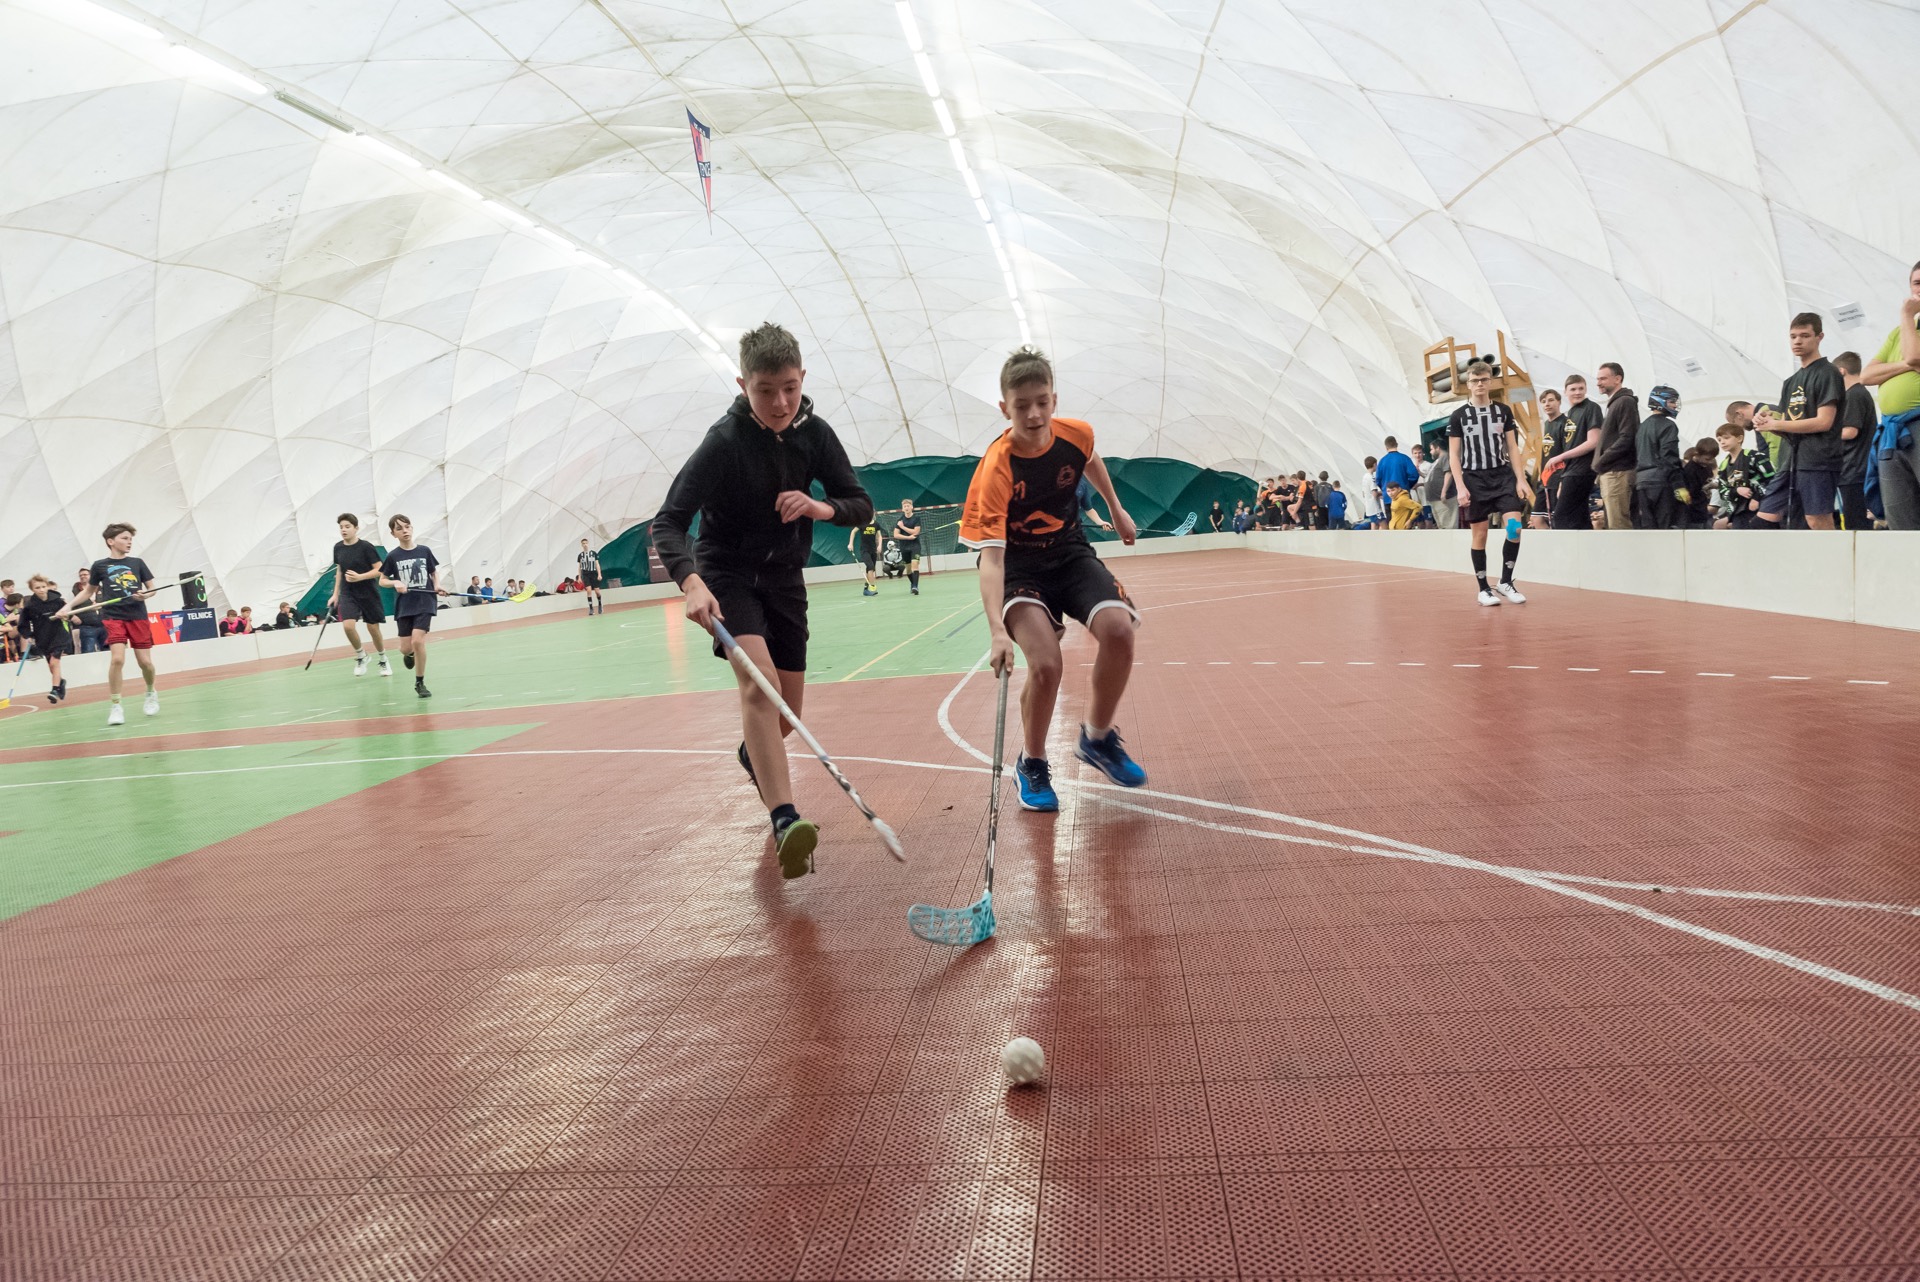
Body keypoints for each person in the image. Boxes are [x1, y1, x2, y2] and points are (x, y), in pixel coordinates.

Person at [651, 322, 873, 878]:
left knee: (786, 716)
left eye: (790, 388)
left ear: (803, 379)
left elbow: (860, 504)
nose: (779, 403)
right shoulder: (724, 442)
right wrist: (691, 581)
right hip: (727, 575)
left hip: (785, 580)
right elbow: (669, 522)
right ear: (742, 384)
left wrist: (819, 507)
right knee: (761, 685)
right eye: (765, 390)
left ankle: (755, 754)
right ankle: (785, 821)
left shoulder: (814, 434)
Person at [962, 345, 1146, 813]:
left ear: (1054, 399)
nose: (1034, 414)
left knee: (1119, 631)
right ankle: (1033, 762)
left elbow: (1091, 459)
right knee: (1046, 666)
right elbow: (991, 559)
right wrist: (996, 631)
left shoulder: (1076, 434)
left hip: (1069, 553)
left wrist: (1116, 510)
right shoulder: (997, 468)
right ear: (1004, 408)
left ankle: (1097, 739)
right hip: (1018, 566)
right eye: (1021, 405)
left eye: (1042, 402)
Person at [53, 523, 161, 726]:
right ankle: (116, 705)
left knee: (145, 663)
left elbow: (152, 588)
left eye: (130, 539)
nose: (129, 542)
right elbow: (88, 591)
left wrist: (145, 595)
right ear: (111, 541)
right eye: (124, 538)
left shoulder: (137, 563)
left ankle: (150, 692)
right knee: (117, 659)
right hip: (113, 616)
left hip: (137, 616)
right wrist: (68, 606)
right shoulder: (100, 566)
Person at [1446, 363, 1534, 605]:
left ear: (1490, 382)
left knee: (1514, 527)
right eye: (1475, 380)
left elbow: (1512, 447)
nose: (1480, 384)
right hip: (1474, 479)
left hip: (1502, 475)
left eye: (1484, 379)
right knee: (1480, 534)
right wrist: (1460, 486)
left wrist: (1520, 479)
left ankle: (1505, 581)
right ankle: (1483, 588)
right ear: (1468, 384)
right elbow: (1454, 454)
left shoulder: (1503, 411)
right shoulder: (1459, 416)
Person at [1755, 313, 1844, 530]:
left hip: (1818, 460)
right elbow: (1787, 426)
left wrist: (1777, 424)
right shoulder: (1790, 382)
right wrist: (1767, 424)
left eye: (1804, 335)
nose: (1797, 341)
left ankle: (1837, 553)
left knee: (1817, 519)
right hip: (1789, 461)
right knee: (1765, 516)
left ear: (1819, 337)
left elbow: (1824, 422)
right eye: (1793, 336)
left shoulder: (1828, 372)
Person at [1862, 262, 1920, 529]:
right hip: (1892, 432)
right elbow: (1867, 376)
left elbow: (1914, 356)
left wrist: (1906, 315)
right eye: (1917, 283)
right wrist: (1906, 365)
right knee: (1899, 513)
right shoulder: (1899, 333)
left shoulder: (1904, 324)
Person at [376, 514, 442, 699]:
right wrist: (395, 582)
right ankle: (409, 654)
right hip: (404, 605)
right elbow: (382, 580)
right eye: (399, 529)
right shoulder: (393, 556)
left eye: (407, 526)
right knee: (406, 648)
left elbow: (434, 572)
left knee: (417, 641)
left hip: (425, 602)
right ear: (393, 534)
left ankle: (419, 682)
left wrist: (437, 585)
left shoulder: (424, 551)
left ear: (411, 528)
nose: (404, 531)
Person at [329, 514, 393, 677]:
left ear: (356, 528)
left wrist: (360, 577)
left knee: (373, 628)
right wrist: (335, 594)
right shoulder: (338, 548)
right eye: (341, 527)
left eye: (347, 526)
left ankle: (383, 658)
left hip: (368, 592)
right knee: (348, 626)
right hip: (348, 592)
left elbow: (379, 569)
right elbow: (340, 570)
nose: (343, 530)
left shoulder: (366, 547)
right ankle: (361, 655)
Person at [1546, 374, 1603, 528]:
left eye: (1581, 388)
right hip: (1571, 470)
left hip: (1582, 470)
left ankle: (1567, 545)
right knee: (1579, 516)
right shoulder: (1571, 413)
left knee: (1561, 516)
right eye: (1573, 389)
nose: (1577, 392)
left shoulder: (1591, 408)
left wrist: (1560, 457)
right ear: (1565, 392)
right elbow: (1570, 444)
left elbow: (1593, 441)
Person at [1592, 362, 1640, 531]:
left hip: (1617, 472)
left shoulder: (1625, 402)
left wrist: (1601, 460)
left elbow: (1627, 437)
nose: (1598, 383)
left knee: (1618, 525)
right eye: (1598, 379)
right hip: (1611, 472)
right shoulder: (1616, 403)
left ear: (1618, 379)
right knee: (1613, 524)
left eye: (1603, 378)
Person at [1632, 387, 1686, 530]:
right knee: (1665, 528)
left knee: (1648, 528)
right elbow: (1669, 457)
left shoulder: (1642, 426)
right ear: (1660, 401)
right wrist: (1679, 484)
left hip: (1641, 482)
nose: (1674, 405)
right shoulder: (1668, 425)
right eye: (1672, 401)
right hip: (1661, 482)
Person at [1834, 351, 1877, 530]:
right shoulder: (1859, 393)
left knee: (1856, 524)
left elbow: (1850, 431)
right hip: (1856, 470)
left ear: (1841, 371)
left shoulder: (1854, 395)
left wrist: (1825, 433)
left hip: (1854, 471)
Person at [18, 576, 70, 703]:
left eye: (43, 587)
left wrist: (65, 615)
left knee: (54, 662)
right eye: (37, 588)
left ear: (47, 586)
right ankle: (60, 682)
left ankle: (54, 690)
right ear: (32, 589)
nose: (41, 590)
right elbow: (23, 624)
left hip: (59, 635)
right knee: (51, 665)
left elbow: (69, 613)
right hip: (42, 637)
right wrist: (29, 635)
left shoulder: (58, 601)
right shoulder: (30, 606)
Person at [1713, 423, 1772, 529]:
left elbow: (1771, 479)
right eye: (1719, 440)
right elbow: (1722, 491)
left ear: (1739, 438)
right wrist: (1736, 491)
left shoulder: (1755, 457)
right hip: (1738, 511)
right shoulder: (1724, 465)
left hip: (1762, 508)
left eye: (1726, 438)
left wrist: (1757, 498)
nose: (1722, 442)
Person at [1681, 440, 1716, 529]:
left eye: (1712, 459)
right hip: (1693, 514)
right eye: (1707, 459)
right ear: (1697, 454)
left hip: (1703, 511)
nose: (1709, 462)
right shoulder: (1690, 470)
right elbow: (1691, 493)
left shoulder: (1706, 467)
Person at [892, 500, 924, 595]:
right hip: (904, 547)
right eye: (905, 506)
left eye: (908, 506)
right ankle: (913, 584)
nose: (906, 508)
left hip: (915, 546)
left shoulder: (916, 518)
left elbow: (916, 532)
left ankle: (915, 587)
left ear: (912, 507)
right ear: (902, 509)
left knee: (915, 565)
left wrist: (903, 527)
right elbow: (896, 535)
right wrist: (908, 537)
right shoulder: (900, 520)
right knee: (908, 570)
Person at [1375, 437, 1419, 505]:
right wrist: (1407, 485)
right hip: (1403, 496)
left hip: (1388, 498)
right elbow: (1414, 475)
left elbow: (1378, 480)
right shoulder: (1405, 458)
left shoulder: (1382, 462)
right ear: (1397, 444)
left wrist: (1386, 490)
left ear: (1386, 447)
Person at [1423, 445, 1457, 529]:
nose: (1430, 452)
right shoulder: (1437, 461)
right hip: (1435, 499)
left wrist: (1443, 492)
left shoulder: (1445, 456)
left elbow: (1448, 473)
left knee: (1448, 525)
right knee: (1442, 526)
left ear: (1438, 448)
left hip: (1443, 499)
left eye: (1431, 449)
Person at [848, 513, 882, 596]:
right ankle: (872, 587)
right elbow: (853, 532)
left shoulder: (876, 524)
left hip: (873, 550)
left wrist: (880, 545)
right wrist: (850, 544)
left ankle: (866, 589)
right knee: (870, 566)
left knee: (870, 569)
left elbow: (879, 536)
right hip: (864, 550)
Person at [577, 539, 605, 614]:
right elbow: (579, 567)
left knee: (597, 591)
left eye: (586, 543)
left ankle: (600, 604)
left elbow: (597, 564)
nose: (585, 545)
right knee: (588, 590)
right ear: (581, 545)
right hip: (585, 574)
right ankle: (591, 608)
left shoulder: (593, 553)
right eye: (583, 543)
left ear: (588, 544)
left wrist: (599, 574)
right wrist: (579, 577)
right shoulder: (580, 555)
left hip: (593, 573)